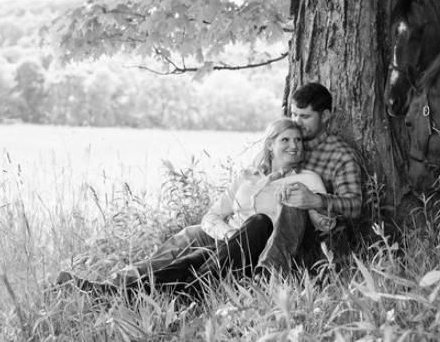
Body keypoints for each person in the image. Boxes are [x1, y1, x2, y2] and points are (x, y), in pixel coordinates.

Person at [57, 118, 327, 298]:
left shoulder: (306, 180)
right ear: (271, 145)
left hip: (257, 246)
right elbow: (212, 215)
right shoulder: (248, 176)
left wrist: (316, 205)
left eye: (298, 141)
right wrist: (225, 235)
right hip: (223, 240)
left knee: (256, 223)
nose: (294, 146)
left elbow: (317, 221)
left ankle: (172, 291)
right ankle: (107, 289)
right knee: (179, 252)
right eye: (286, 140)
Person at [270, 82, 363, 266]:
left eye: (305, 116)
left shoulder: (340, 156)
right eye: (294, 114)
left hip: (315, 239)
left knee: (294, 203)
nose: (296, 121)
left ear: (325, 116)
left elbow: (355, 205)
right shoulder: (284, 145)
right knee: (197, 236)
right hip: (269, 225)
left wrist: (316, 200)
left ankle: (269, 272)